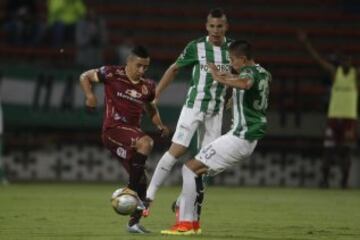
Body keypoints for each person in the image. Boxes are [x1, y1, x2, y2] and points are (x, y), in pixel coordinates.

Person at [161, 40, 271, 235]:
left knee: (189, 169)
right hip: (244, 137)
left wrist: (216, 76)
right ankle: (193, 224)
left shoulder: (248, 74)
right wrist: (233, 96)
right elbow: (247, 86)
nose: (230, 63)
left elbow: (245, 82)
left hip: (240, 137)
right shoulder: (263, 72)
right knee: (197, 171)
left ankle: (185, 224)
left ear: (243, 59)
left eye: (232, 60)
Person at [145, 8, 232, 229]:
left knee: (207, 164)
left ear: (226, 27)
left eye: (219, 26)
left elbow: (241, 76)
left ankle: (182, 203)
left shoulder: (233, 49)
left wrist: (234, 98)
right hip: (193, 108)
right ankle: (149, 196)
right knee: (178, 148)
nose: (215, 30)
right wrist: (156, 95)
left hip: (216, 111)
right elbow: (174, 69)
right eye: (211, 26)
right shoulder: (196, 47)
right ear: (206, 26)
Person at [79, 46, 169, 233]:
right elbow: (85, 76)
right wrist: (89, 95)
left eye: (146, 67)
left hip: (131, 133)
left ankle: (133, 224)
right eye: (139, 66)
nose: (142, 70)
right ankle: (129, 189)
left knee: (142, 179)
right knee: (146, 143)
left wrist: (159, 125)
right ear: (128, 62)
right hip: (113, 129)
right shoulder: (112, 73)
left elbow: (151, 108)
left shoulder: (148, 86)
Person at [298, 30, 359, 188]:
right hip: (333, 118)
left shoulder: (355, 75)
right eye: (344, 61)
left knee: (346, 151)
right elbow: (318, 60)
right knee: (328, 150)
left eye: (348, 61)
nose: (346, 63)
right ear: (341, 63)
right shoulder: (335, 73)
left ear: (351, 63)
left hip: (349, 119)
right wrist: (306, 44)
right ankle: (324, 181)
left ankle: (344, 183)